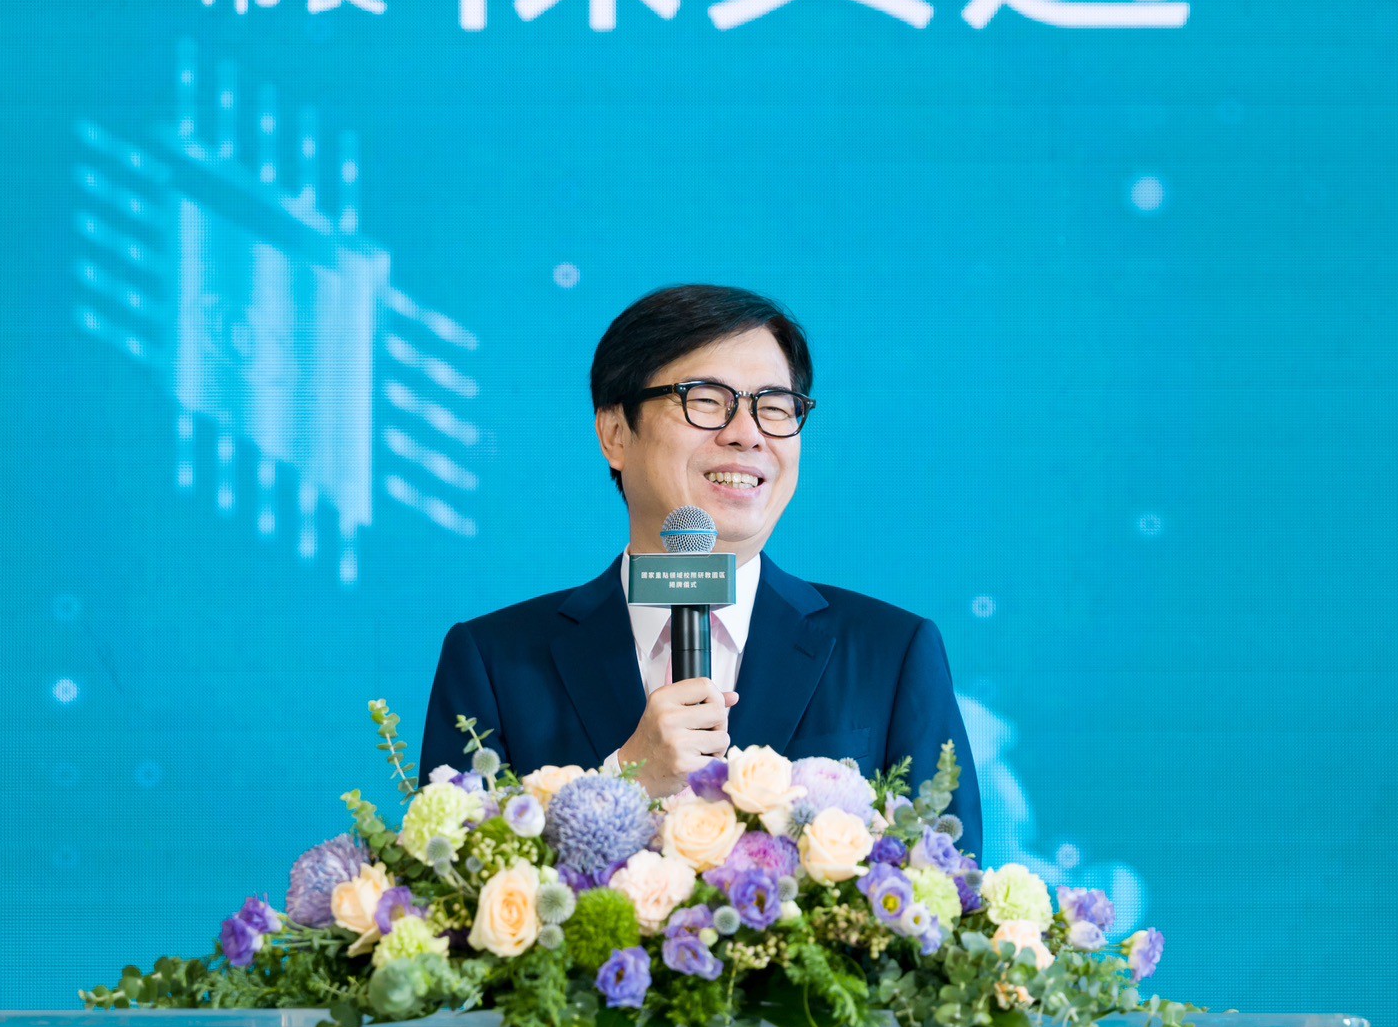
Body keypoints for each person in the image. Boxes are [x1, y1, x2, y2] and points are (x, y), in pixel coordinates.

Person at [419, 283, 982, 850]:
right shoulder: (494, 662)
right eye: (707, 400)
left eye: (774, 407)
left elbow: (949, 884)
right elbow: (452, 884)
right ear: (615, 433)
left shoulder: (892, 652)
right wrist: (628, 777)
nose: (747, 434)